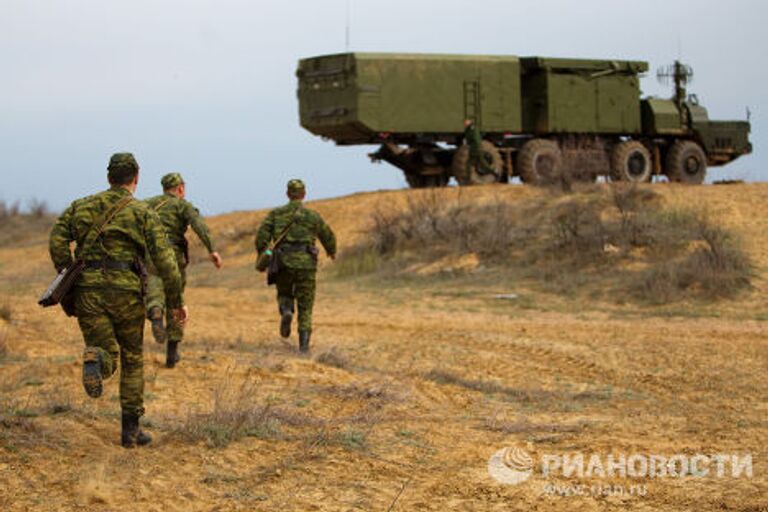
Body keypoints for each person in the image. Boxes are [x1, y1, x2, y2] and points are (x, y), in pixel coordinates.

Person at [48, 153, 187, 448]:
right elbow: (166, 262)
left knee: (104, 349)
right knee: (133, 358)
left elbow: (57, 237)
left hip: (88, 292)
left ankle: (96, 359)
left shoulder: (81, 206)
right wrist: (175, 301)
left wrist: (67, 272)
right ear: (136, 178)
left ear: (109, 177)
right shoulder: (143, 213)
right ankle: (131, 431)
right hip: (127, 293)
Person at [144, 172, 222, 368]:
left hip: (150, 254)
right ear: (180, 189)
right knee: (175, 299)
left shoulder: (147, 203)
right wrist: (212, 250)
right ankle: (172, 353)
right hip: (174, 255)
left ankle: (154, 309)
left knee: (153, 283)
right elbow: (199, 226)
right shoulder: (183, 205)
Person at [255, 179, 336, 353]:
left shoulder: (276, 214)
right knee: (305, 304)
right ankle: (304, 347)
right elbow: (327, 234)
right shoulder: (312, 216)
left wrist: (262, 252)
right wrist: (331, 251)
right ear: (304, 195)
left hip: (283, 262)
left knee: (284, 293)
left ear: (287, 194)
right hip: (307, 264)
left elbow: (261, 236)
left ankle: (286, 310)